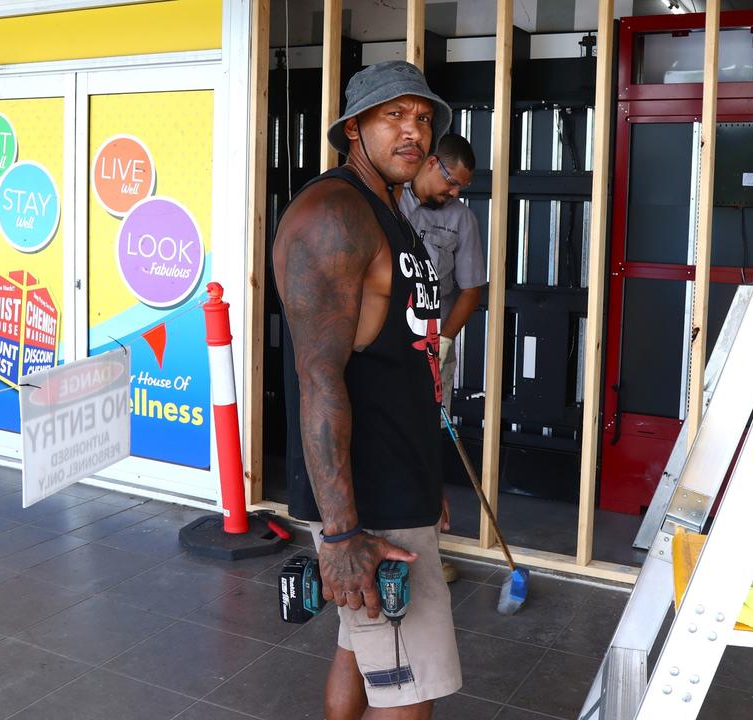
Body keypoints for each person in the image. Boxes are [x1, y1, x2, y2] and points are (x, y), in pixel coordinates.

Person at [272, 60, 460, 720]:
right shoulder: (333, 214)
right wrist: (343, 531)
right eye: (394, 116)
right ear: (353, 128)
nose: (414, 131)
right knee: (408, 688)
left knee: (362, 648)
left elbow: (398, 361)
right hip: (369, 502)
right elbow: (318, 379)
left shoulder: (389, 213)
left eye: (423, 118)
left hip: (395, 480)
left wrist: (425, 475)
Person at [397, 135, 486, 415]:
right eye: (452, 182)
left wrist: (444, 342)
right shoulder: (390, 200)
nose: (456, 193)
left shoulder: (462, 220)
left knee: (427, 433)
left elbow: (472, 289)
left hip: (434, 348)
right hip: (388, 345)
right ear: (432, 163)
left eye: (462, 186)